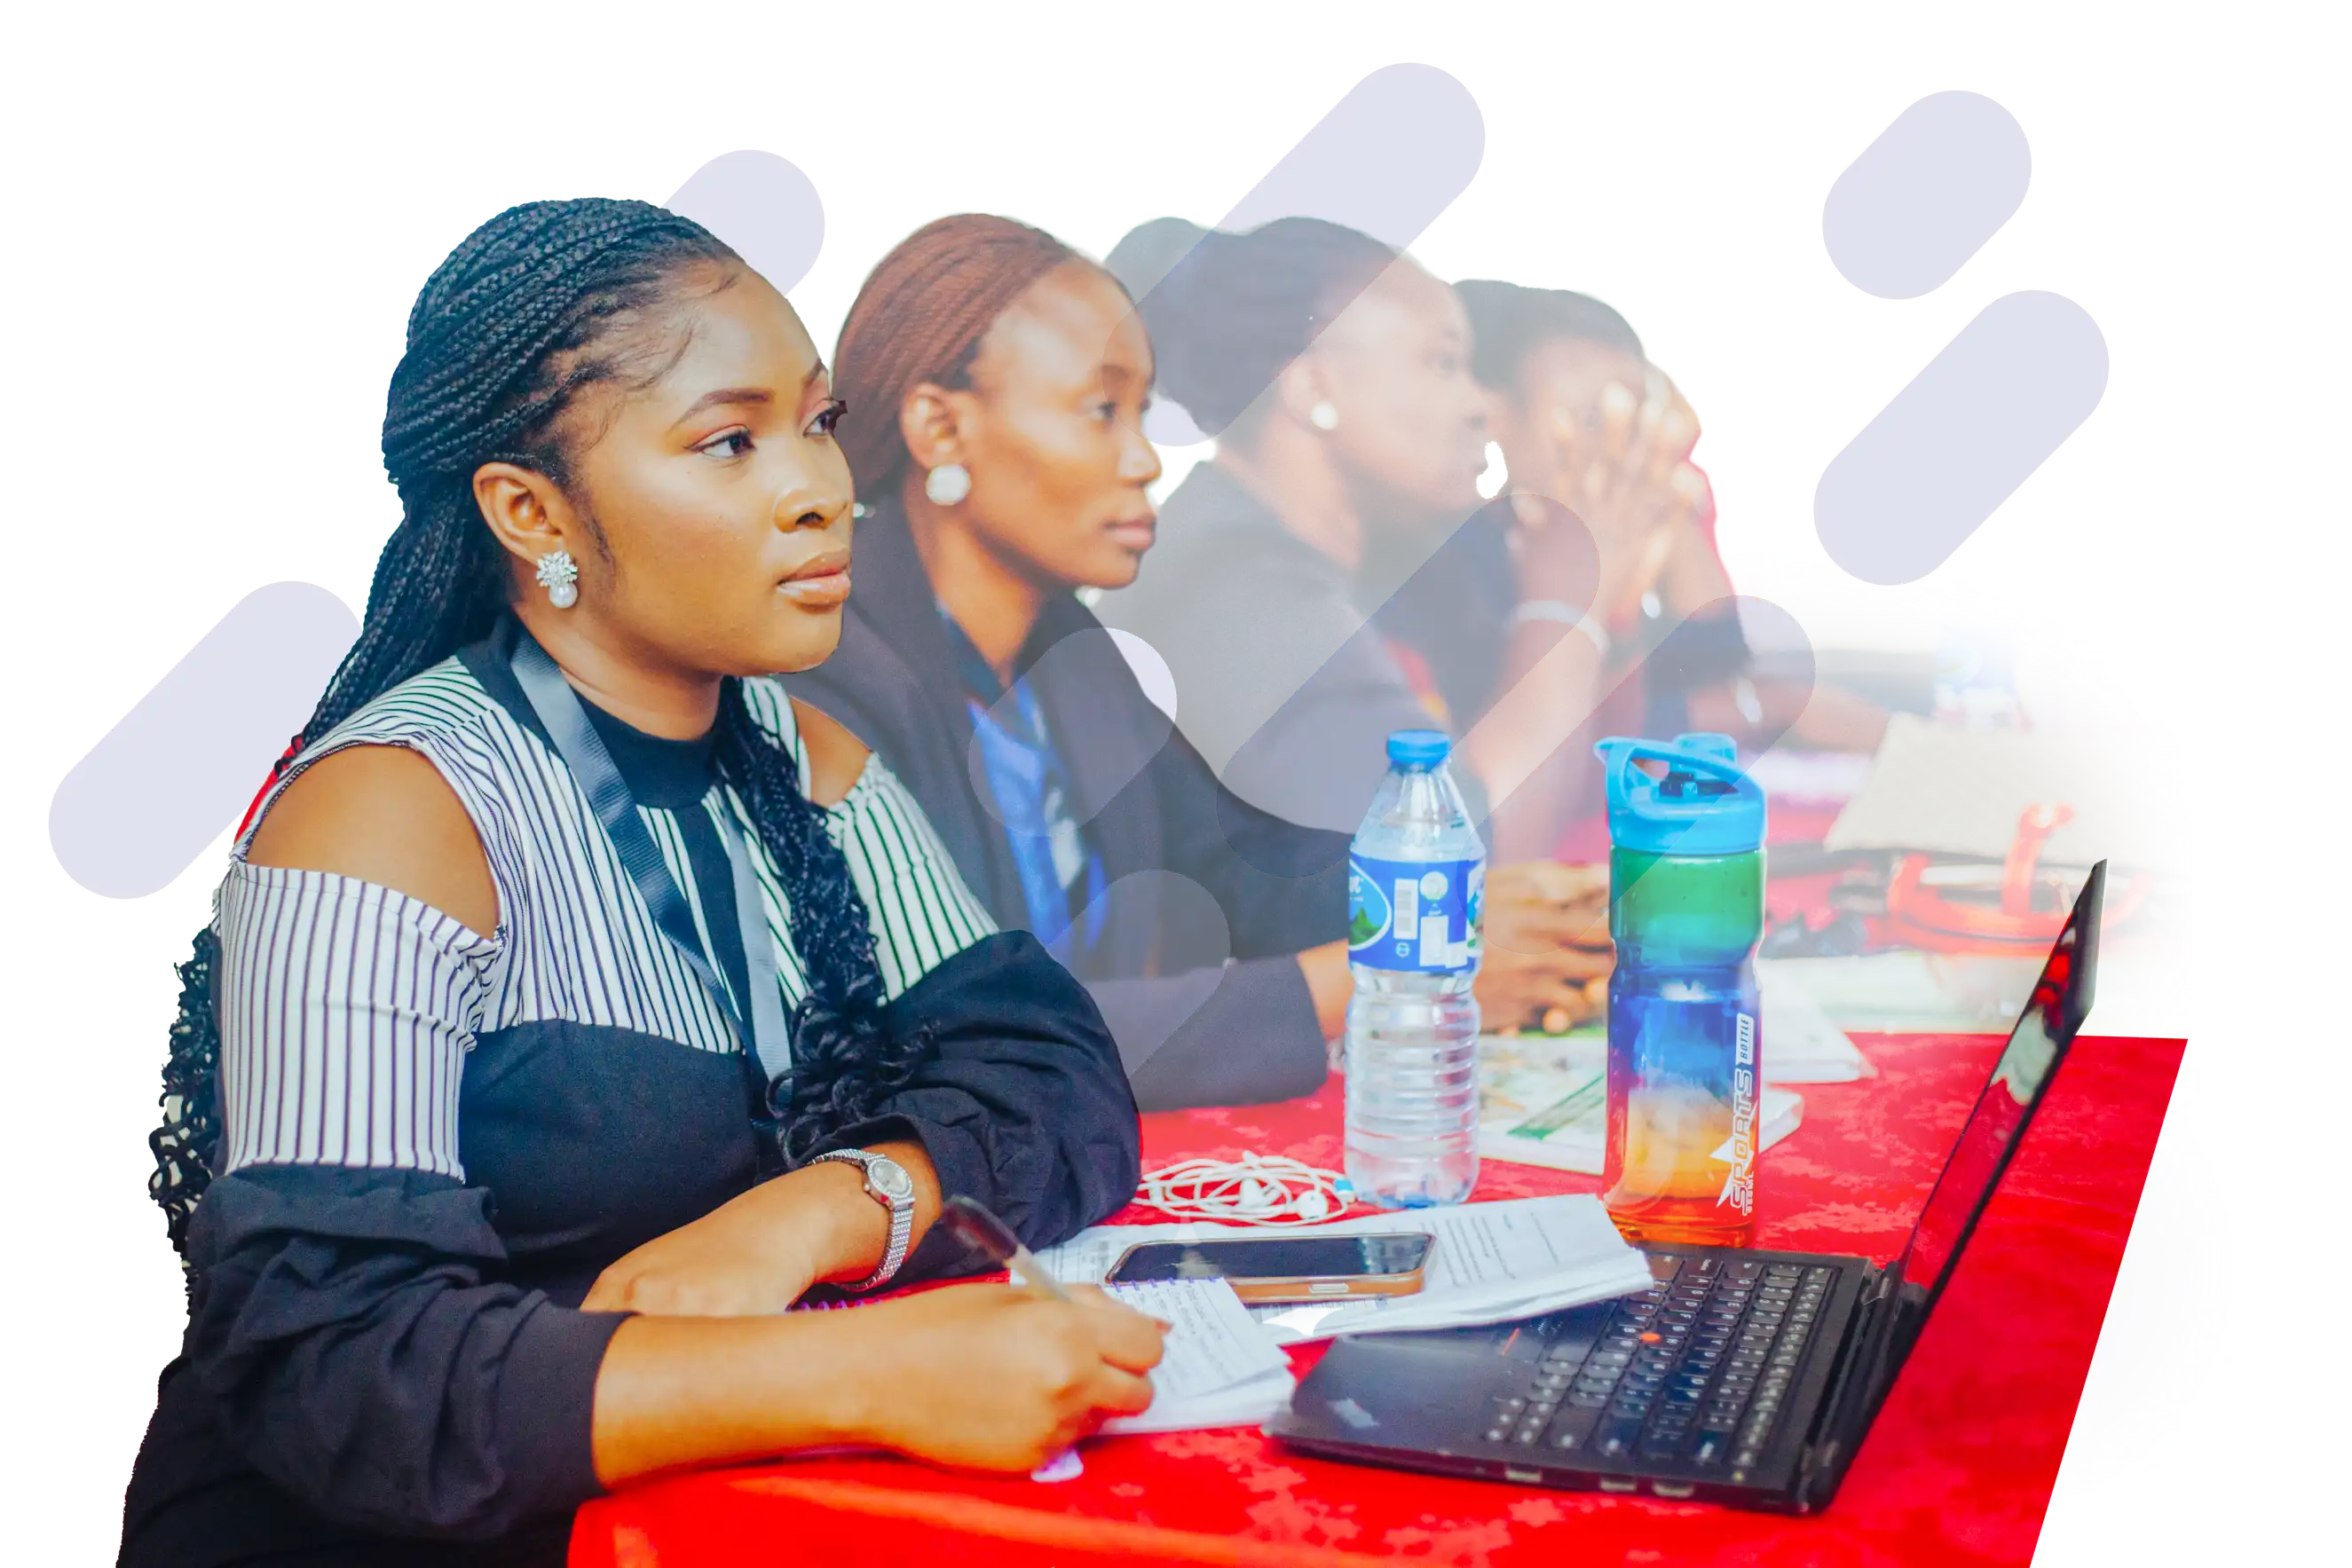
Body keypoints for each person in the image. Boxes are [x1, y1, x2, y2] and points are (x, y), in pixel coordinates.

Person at [120, 197, 1161, 1568]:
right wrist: (867, 1372)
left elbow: (1049, 1069)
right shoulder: (389, 808)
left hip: (696, 1516)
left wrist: (817, 1210)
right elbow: (342, 1365)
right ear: (530, 508)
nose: (820, 489)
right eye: (729, 442)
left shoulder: (811, 758)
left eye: (809, 424)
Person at [1097, 217, 1622, 1018]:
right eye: (1442, 362)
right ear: (1312, 389)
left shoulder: (1374, 551)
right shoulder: (1228, 585)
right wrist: (1572, 594)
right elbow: (1473, 861)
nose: (1481, 403)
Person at [1443, 277, 1892, 754]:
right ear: (1495, 422)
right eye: (1592, 422)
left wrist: (1671, 520)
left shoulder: (1615, 541)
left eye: (1635, 425)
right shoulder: (1467, 561)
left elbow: (1721, 659)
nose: (1622, 453)